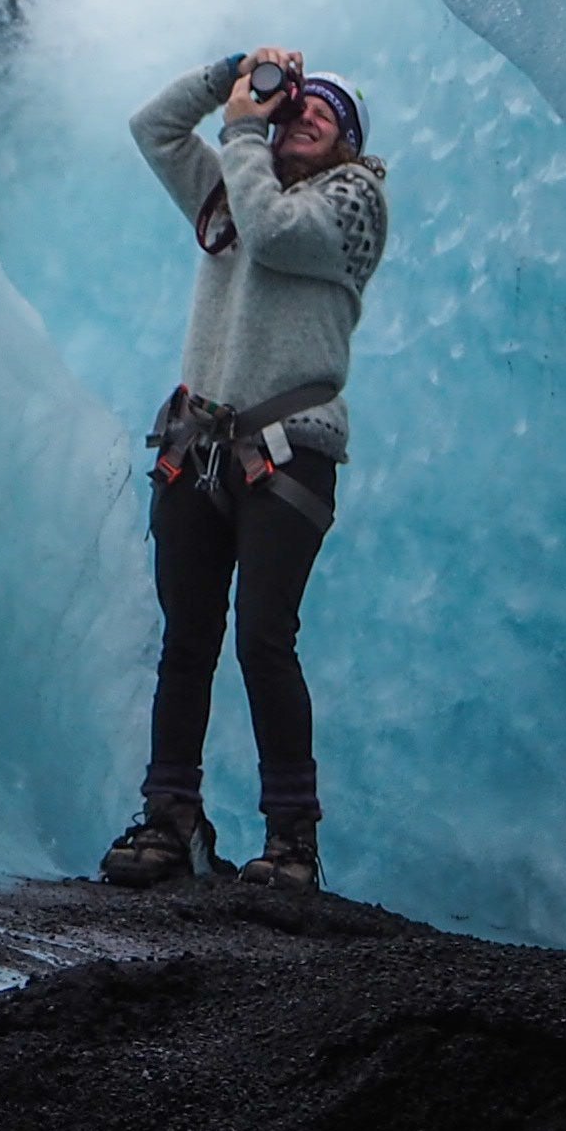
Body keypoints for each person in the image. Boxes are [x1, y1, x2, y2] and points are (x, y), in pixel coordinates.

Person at [101, 44, 388, 892]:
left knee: (264, 639)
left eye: (324, 115)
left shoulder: (353, 202)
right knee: (187, 642)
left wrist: (243, 131)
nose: (304, 118)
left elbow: (272, 230)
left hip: (289, 453)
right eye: (297, 105)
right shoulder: (237, 184)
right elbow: (153, 129)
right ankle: (170, 817)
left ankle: (293, 840)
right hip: (198, 449)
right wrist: (226, 74)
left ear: (348, 142)